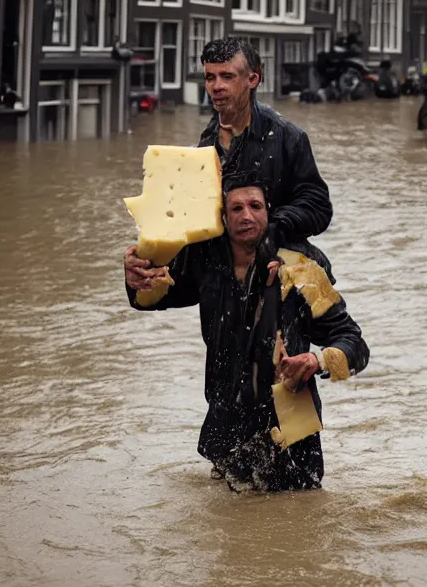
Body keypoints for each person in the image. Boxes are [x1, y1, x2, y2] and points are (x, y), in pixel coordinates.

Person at [124, 177, 369, 493]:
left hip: (291, 432)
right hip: (228, 424)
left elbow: (353, 342)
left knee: (297, 525)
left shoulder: (301, 268)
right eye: (236, 208)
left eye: (255, 206)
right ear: (223, 218)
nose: (246, 216)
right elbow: (150, 295)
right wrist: (134, 270)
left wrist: (317, 359)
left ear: (270, 212)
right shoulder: (205, 261)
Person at [198, 37, 333, 244]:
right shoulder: (207, 140)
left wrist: (270, 229)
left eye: (227, 76)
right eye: (210, 77)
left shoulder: (288, 137)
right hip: (225, 263)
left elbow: (318, 206)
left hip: (275, 257)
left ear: (253, 79)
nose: (217, 86)